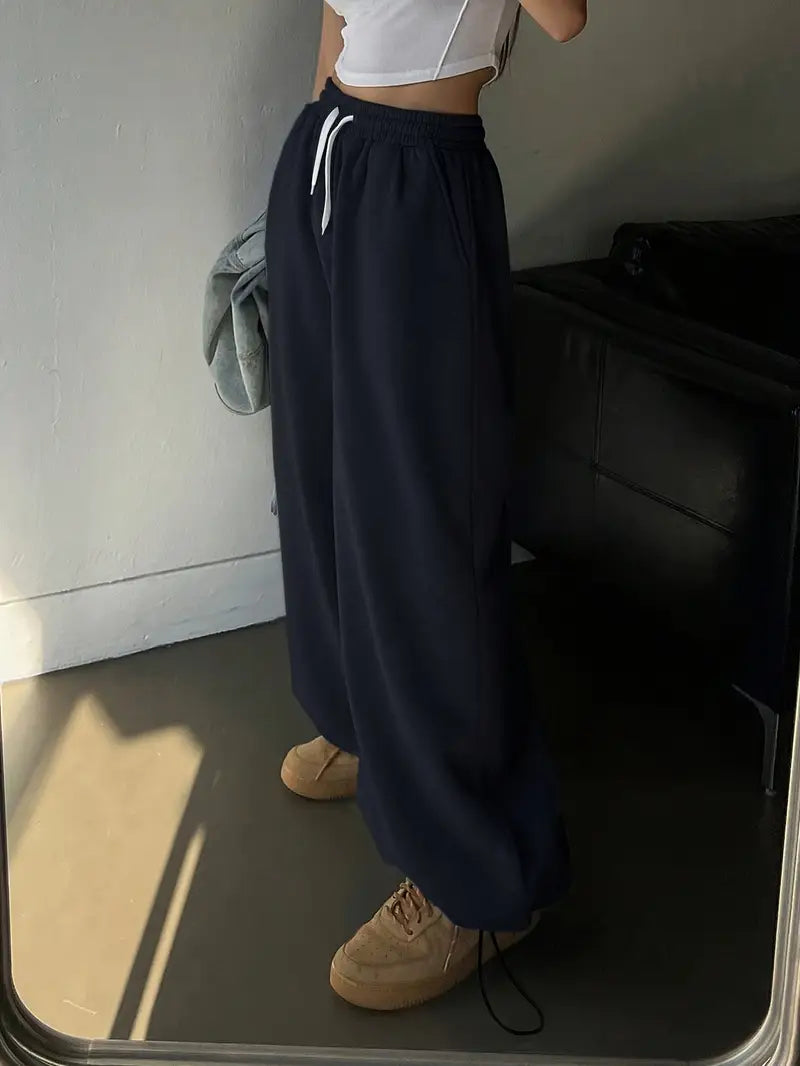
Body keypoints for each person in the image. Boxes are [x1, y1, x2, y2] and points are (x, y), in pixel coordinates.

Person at [267, 0, 586, 1024]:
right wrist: (313, 144)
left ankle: (476, 876)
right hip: (331, 151)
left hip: (420, 175)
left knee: (424, 526)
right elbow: (339, 10)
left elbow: (564, 19)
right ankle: (362, 719)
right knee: (323, 478)